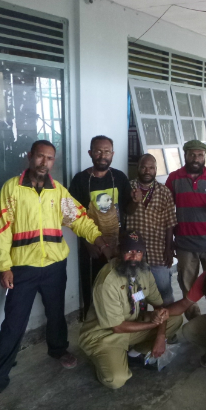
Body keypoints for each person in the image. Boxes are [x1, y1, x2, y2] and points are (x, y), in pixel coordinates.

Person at [0, 140, 108, 404]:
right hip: (22, 268)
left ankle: (58, 349)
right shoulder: (12, 189)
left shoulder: (57, 192)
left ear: (53, 162)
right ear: (30, 157)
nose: (44, 162)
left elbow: (79, 219)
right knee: (14, 322)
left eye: (50, 158)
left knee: (55, 312)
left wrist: (99, 240)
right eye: (40, 157)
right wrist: (3, 266)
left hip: (54, 266)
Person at [79, 231, 183, 389]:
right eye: (129, 251)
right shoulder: (108, 281)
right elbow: (117, 327)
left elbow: (159, 307)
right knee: (116, 380)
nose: (134, 257)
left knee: (176, 319)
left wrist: (161, 336)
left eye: (139, 252)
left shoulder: (144, 271)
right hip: (105, 335)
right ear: (120, 253)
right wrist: (154, 325)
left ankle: (135, 352)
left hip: (132, 326)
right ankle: (102, 357)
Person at [69, 135, 133, 318]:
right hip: (92, 247)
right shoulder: (80, 180)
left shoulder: (119, 177)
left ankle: (120, 323)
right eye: (98, 151)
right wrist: (89, 244)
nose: (102, 155)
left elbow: (128, 208)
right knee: (93, 287)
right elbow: (74, 217)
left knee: (119, 285)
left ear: (112, 154)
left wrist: (135, 202)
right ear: (90, 153)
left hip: (117, 244)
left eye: (106, 152)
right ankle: (92, 325)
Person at [166, 139, 206, 319]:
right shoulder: (174, 178)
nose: (196, 159)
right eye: (192, 155)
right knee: (188, 287)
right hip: (185, 243)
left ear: (205, 156)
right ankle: (194, 321)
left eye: (200, 155)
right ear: (185, 156)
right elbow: (166, 208)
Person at [128, 154, 178, 304]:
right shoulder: (128, 188)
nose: (147, 171)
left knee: (164, 291)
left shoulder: (164, 192)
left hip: (158, 252)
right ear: (138, 168)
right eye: (143, 167)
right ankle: (140, 321)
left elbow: (170, 223)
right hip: (134, 254)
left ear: (156, 170)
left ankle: (169, 323)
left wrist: (168, 250)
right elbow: (124, 215)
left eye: (151, 167)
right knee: (137, 293)